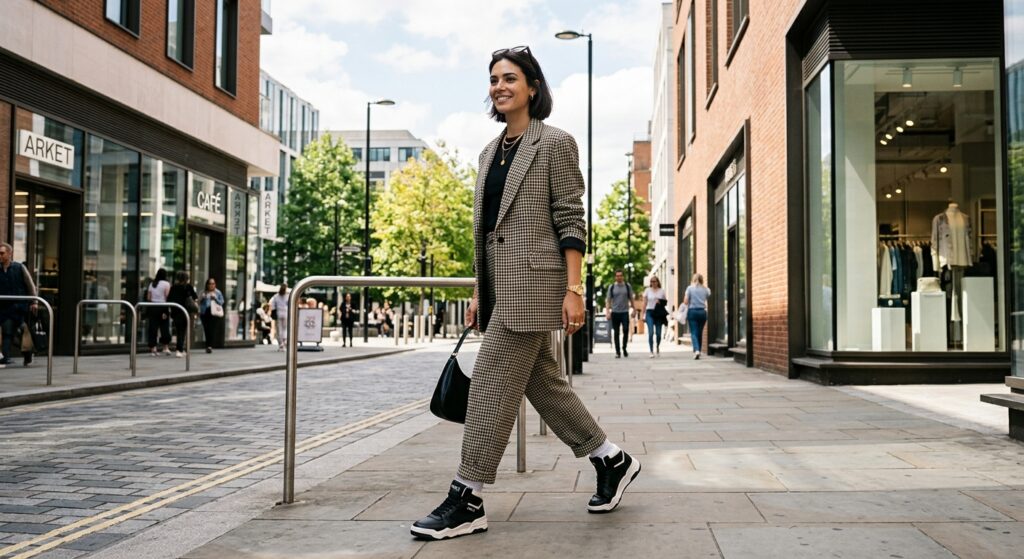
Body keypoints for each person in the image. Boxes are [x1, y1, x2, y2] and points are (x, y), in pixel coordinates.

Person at [411, 46, 641, 541]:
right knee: (544, 386)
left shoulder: (555, 143)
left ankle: (467, 495)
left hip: (535, 286)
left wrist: (574, 287)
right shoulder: (488, 152)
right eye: (493, 79)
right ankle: (611, 459)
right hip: (499, 290)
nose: (499, 86)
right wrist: (479, 289)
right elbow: (488, 232)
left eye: (510, 78)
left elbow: (570, 218)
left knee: (491, 387)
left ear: (532, 87)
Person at [0, 243, 38, 366]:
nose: (0, 255)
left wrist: (34, 301)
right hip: (5, 308)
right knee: (7, 331)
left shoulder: (19, 267)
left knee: (22, 332)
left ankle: (28, 354)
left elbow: (30, 285)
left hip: (19, 307)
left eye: (2, 253)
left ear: (9, 254)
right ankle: (5, 357)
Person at [168, 271, 198, 357]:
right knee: (182, 331)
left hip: (176, 311)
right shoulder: (188, 287)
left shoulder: (173, 287)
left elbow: (169, 299)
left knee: (179, 330)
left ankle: (180, 348)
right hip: (185, 311)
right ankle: (179, 349)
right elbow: (195, 297)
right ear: (186, 278)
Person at [605, 270, 633, 358]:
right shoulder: (612, 287)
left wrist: (634, 309)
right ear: (615, 277)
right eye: (617, 276)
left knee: (625, 330)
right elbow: (608, 300)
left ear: (623, 276)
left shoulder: (627, 287)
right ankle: (618, 352)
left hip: (625, 312)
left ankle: (624, 348)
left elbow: (631, 298)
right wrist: (607, 312)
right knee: (616, 333)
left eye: (620, 275)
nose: (619, 277)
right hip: (615, 312)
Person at [683, 273, 711, 359]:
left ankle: (697, 350)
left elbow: (686, 301)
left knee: (694, 332)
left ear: (693, 279)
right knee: (699, 332)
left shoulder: (689, 288)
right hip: (702, 312)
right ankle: (698, 350)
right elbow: (707, 297)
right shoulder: (706, 289)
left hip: (692, 312)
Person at [145, 268, 172, 356]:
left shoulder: (152, 283)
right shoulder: (166, 284)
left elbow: (148, 298)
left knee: (153, 328)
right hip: (163, 307)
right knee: (164, 327)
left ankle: (153, 348)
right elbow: (167, 297)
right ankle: (165, 347)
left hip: (153, 307)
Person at [198, 277, 225, 354]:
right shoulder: (203, 292)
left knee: (212, 329)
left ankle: (209, 346)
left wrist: (215, 298)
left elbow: (222, 302)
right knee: (206, 329)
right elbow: (198, 302)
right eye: (210, 284)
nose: (211, 285)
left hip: (214, 313)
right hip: (205, 312)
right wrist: (202, 298)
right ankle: (208, 345)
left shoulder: (218, 292)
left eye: (213, 284)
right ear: (207, 285)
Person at [643, 276, 668, 358]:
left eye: (655, 281)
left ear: (658, 282)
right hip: (649, 312)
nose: (653, 283)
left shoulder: (662, 291)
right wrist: (643, 314)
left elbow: (665, 302)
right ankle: (651, 351)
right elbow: (644, 303)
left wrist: (660, 301)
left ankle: (657, 346)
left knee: (658, 334)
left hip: (658, 313)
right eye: (652, 281)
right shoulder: (647, 290)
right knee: (650, 333)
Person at [270, 283, 290, 351]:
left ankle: (281, 343)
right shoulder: (287, 296)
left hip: (278, 313)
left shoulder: (276, 296)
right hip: (286, 312)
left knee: (279, 329)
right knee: (285, 329)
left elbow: (272, 305)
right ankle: (284, 342)